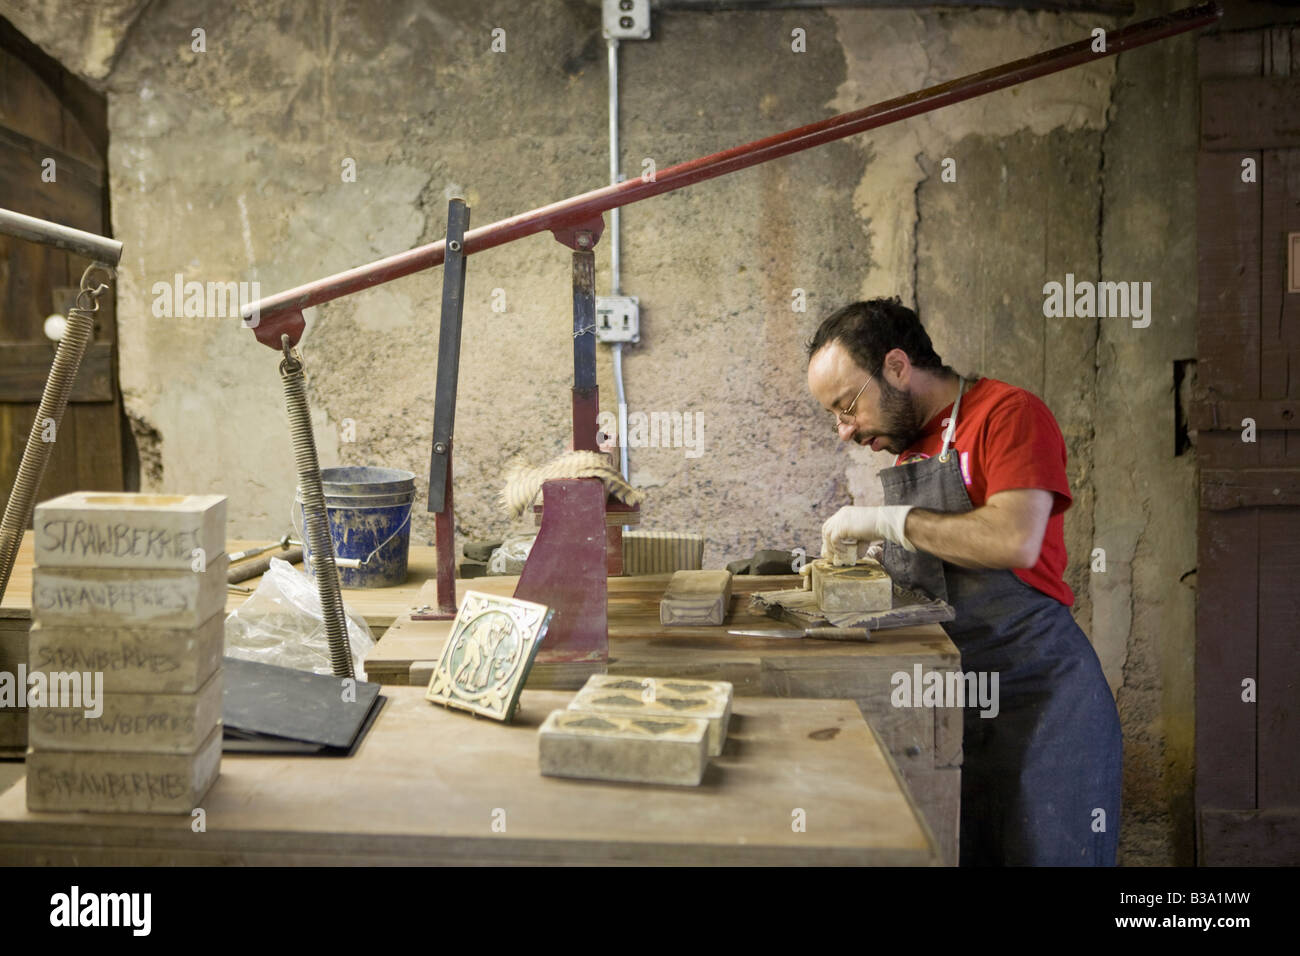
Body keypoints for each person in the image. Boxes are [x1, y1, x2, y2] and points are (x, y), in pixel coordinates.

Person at [805, 297, 1122, 866]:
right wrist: (860, 568)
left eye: (847, 406)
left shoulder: (1008, 414)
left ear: (897, 367)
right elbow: (937, 570)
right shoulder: (911, 453)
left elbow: (1013, 540)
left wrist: (891, 520)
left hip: (1038, 699)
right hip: (957, 703)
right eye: (834, 416)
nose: (845, 431)